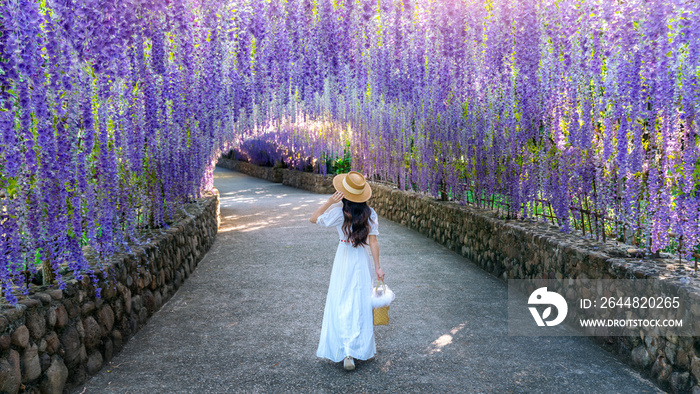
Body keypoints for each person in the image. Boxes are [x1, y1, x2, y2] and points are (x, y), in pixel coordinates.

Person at [309, 170, 385, 371]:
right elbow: (373, 241)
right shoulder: (370, 214)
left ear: (344, 192)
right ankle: (355, 349)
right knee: (358, 303)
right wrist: (377, 267)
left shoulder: (337, 212)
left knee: (342, 301)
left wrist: (329, 202)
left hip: (343, 258)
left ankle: (346, 351)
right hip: (361, 259)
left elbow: (313, 218)